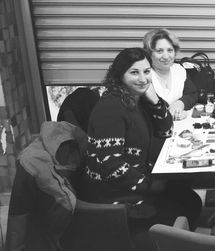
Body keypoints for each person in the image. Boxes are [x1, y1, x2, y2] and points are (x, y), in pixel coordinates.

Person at [79, 47, 201, 250]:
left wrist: (153, 99)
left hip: (138, 181)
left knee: (190, 200)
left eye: (146, 71)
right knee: (187, 205)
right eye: (134, 72)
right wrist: (150, 185)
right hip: (118, 197)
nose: (143, 78)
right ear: (119, 76)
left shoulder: (136, 98)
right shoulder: (111, 107)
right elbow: (110, 165)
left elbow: (165, 127)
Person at [143, 28, 198, 121]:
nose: (166, 56)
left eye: (170, 50)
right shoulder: (144, 76)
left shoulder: (179, 70)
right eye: (159, 51)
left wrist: (180, 103)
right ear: (149, 53)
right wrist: (171, 112)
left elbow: (192, 94)